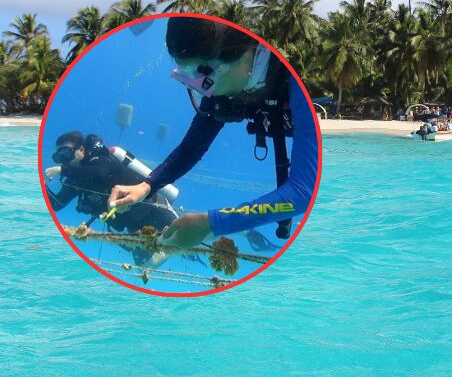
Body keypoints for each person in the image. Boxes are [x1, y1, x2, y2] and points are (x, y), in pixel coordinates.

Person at [107, 17, 319, 250]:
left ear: (242, 54)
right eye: (186, 72)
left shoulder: (296, 85)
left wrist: (210, 224)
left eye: (202, 72)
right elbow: (190, 149)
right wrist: (146, 187)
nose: (201, 85)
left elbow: (301, 193)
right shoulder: (221, 90)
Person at [45, 130, 178, 264]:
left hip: (155, 208)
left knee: (186, 233)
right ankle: (172, 248)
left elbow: (98, 174)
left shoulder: (102, 159)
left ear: (81, 150)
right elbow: (57, 204)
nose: (64, 161)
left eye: (66, 154)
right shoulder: (74, 179)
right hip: (133, 225)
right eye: (59, 157)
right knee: (146, 266)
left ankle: (178, 245)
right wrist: (41, 185)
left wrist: (63, 170)